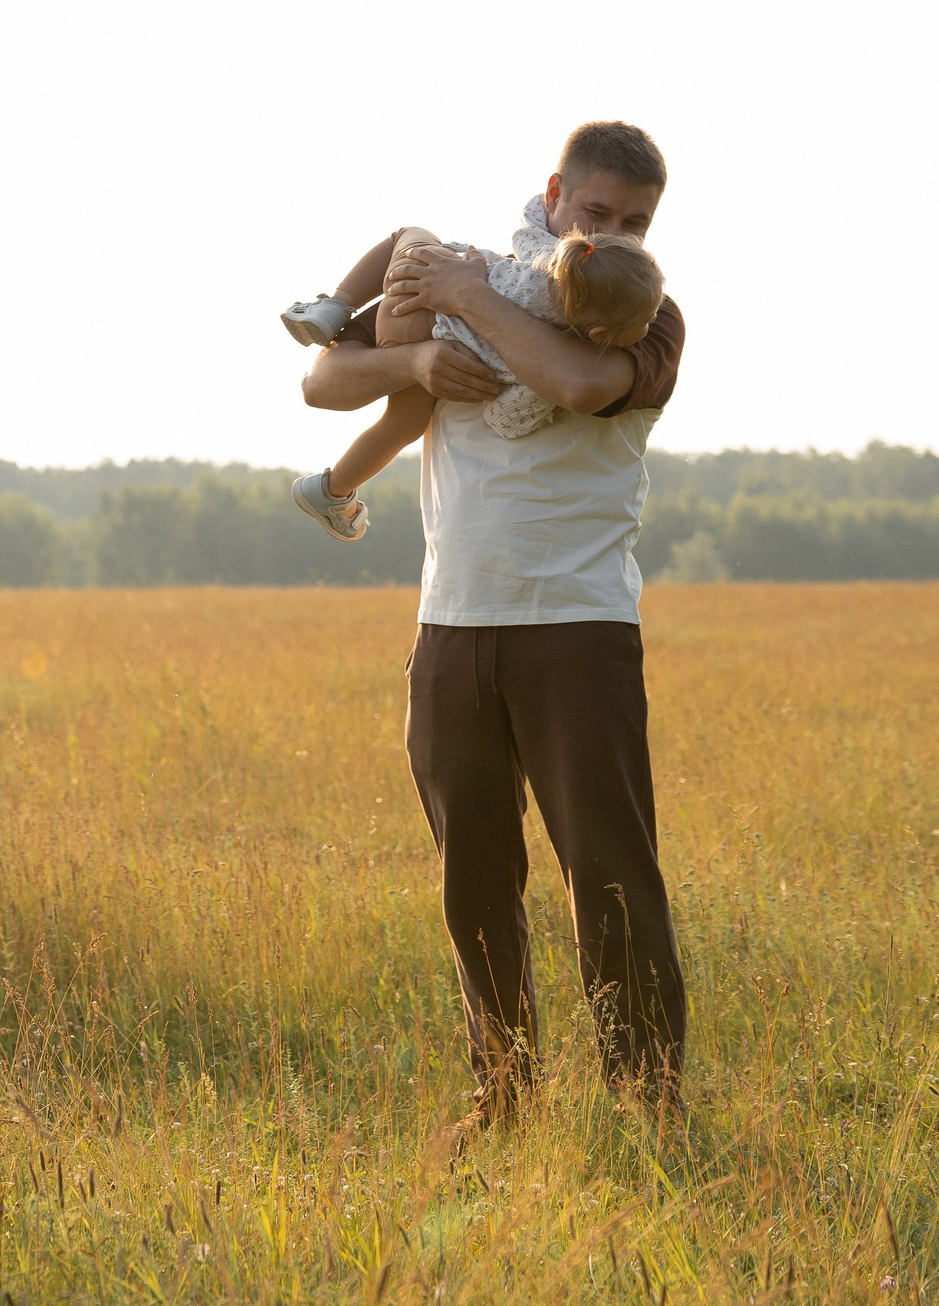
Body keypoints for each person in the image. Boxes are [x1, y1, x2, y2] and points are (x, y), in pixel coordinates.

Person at [301, 120, 689, 1130]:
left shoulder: (641, 315)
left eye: (635, 222)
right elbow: (320, 382)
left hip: (578, 628)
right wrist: (422, 356)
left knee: (608, 874)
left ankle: (648, 1104)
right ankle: (502, 1095)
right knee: (472, 878)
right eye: (595, 212)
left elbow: (578, 384)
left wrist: (466, 301)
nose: (611, 237)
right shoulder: (462, 286)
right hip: (451, 624)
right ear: (554, 195)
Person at [282, 203, 665, 541]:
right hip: (425, 322)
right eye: (647, 321)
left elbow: (525, 236)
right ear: (598, 334)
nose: (653, 323)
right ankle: (331, 490)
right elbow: (505, 418)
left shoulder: (551, 267)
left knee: (406, 234)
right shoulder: (547, 349)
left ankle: (334, 305)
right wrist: (539, 404)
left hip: (427, 272)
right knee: (402, 425)